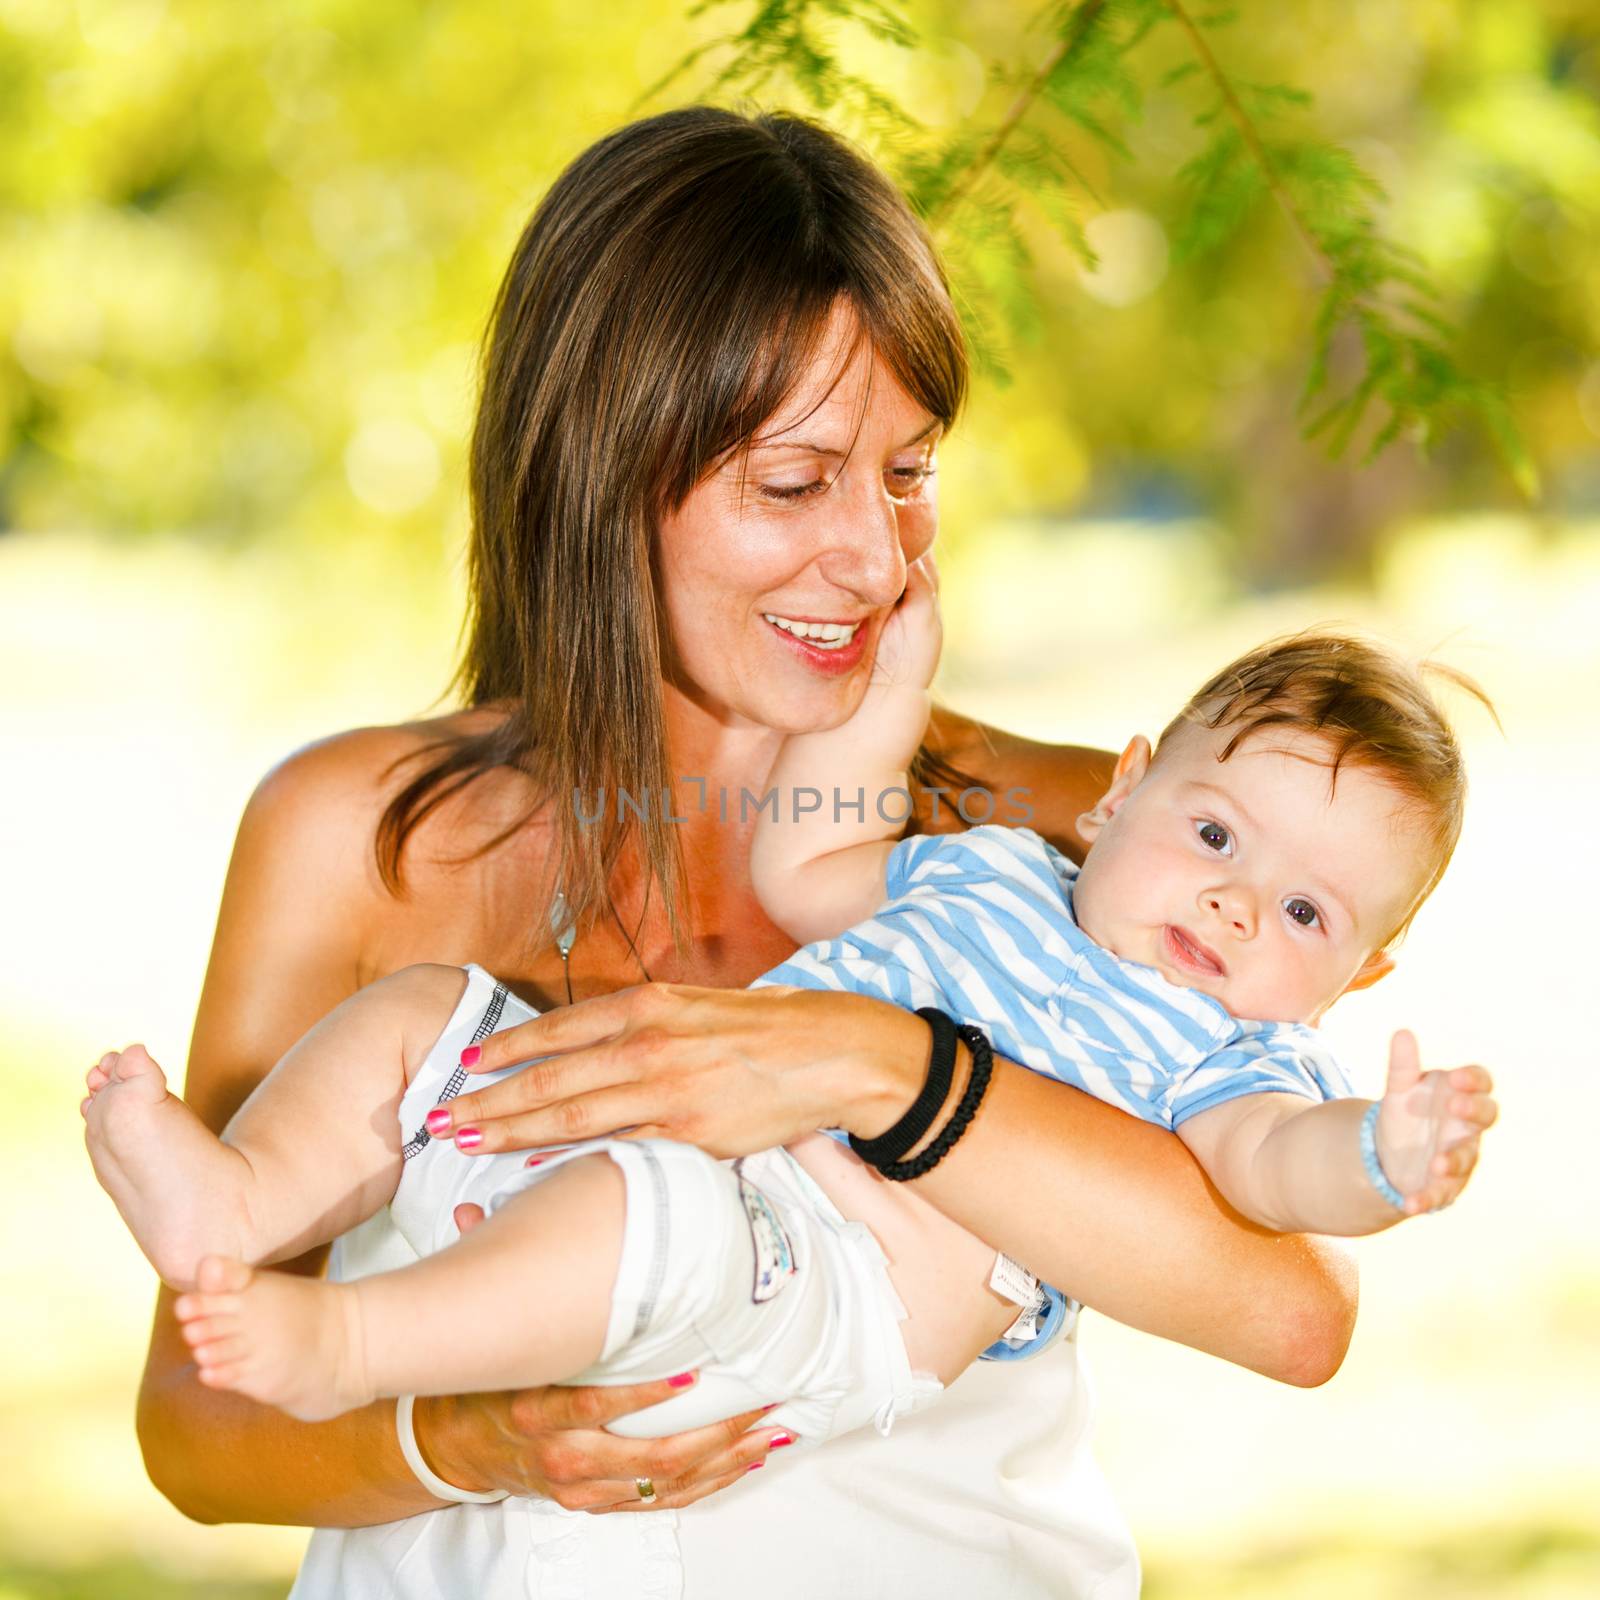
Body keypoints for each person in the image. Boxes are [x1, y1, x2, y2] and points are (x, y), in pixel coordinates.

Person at [131, 105, 1373, 1599]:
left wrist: (886, 1069)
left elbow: (1294, 1311)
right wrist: (473, 1441)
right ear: (599, 473)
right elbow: (197, 1426)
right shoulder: (363, 836)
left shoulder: (1057, 826)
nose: (874, 558)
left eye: (909, 473)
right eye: (794, 484)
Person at [83, 628, 1498, 1440]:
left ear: (1362, 973)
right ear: (1121, 793)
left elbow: (1268, 1173)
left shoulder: (1225, 1052)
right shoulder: (999, 864)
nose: (1239, 908)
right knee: (422, 1012)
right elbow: (812, 873)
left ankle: (351, 1345)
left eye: (1308, 913)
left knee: (646, 1218)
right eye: (1212, 835)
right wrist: (881, 710)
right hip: (661, 1131)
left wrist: (1378, 1153)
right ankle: (242, 1195)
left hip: (831, 1278)